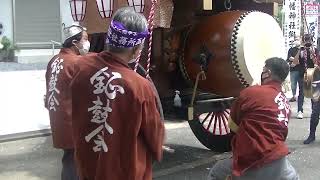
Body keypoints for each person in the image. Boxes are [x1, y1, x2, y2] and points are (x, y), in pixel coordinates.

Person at [70, 7, 165, 180]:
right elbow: (154, 133)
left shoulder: (81, 67)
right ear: (137, 49)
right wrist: (158, 147)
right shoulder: (139, 86)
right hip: (125, 170)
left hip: (87, 164)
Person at [207, 57, 299, 180]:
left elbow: (233, 125)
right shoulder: (284, 101)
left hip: (254, 159)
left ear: (268, 73)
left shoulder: (252, 92)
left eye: (263, 69)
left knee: (217, 172)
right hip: (279, 159)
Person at [44, 25, 90, 180]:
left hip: (58, 120)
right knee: (77, 163)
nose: (87, 42)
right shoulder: (76, 62)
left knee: (70, 160)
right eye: (85, 39)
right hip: (73, 122)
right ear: (75, 42)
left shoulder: (54, 60)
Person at [287, 37, 303, 105]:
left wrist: (295, 62)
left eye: (298, 39)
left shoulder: (303, 49)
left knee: (301, 85)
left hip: (301, 70)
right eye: (295, 39)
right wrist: (296, 60)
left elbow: (303, 59)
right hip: (293, 70)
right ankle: (294, 96)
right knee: (293, 84)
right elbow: (289, 57)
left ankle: (301, 97)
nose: (296, 40)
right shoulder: (291, 49)